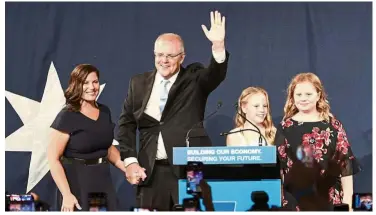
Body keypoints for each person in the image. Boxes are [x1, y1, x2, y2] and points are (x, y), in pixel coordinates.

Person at [117, 10, 229, 211]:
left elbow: (215, 74)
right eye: (160, 55)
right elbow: (125, 125)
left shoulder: (194, 78)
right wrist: (130, 161)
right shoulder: (138, 83)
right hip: (150, 173)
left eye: (170, 55)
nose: (164, 60)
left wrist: (218, 46)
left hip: (188, 171)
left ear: (182, 57)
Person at [276, 72, 361, 210]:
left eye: (308, 94)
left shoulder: (333, 126)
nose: (303, 99)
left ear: (318, 95)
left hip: (330, 201)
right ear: (292, 97)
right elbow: (279, 170)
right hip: (295, 202)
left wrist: (348, 204)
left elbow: (345, 167)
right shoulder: (285, 128)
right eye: (298, 95)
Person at [47, 64, 126, 211]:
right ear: (76, 85)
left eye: (95, 82)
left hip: (103, 181)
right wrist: (67, 194)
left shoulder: (104, 111)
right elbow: (53, 159)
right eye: (85, 83)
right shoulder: (67, 116)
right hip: (77, 185)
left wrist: (127, 169)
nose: (92, 87)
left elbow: (106, 148)